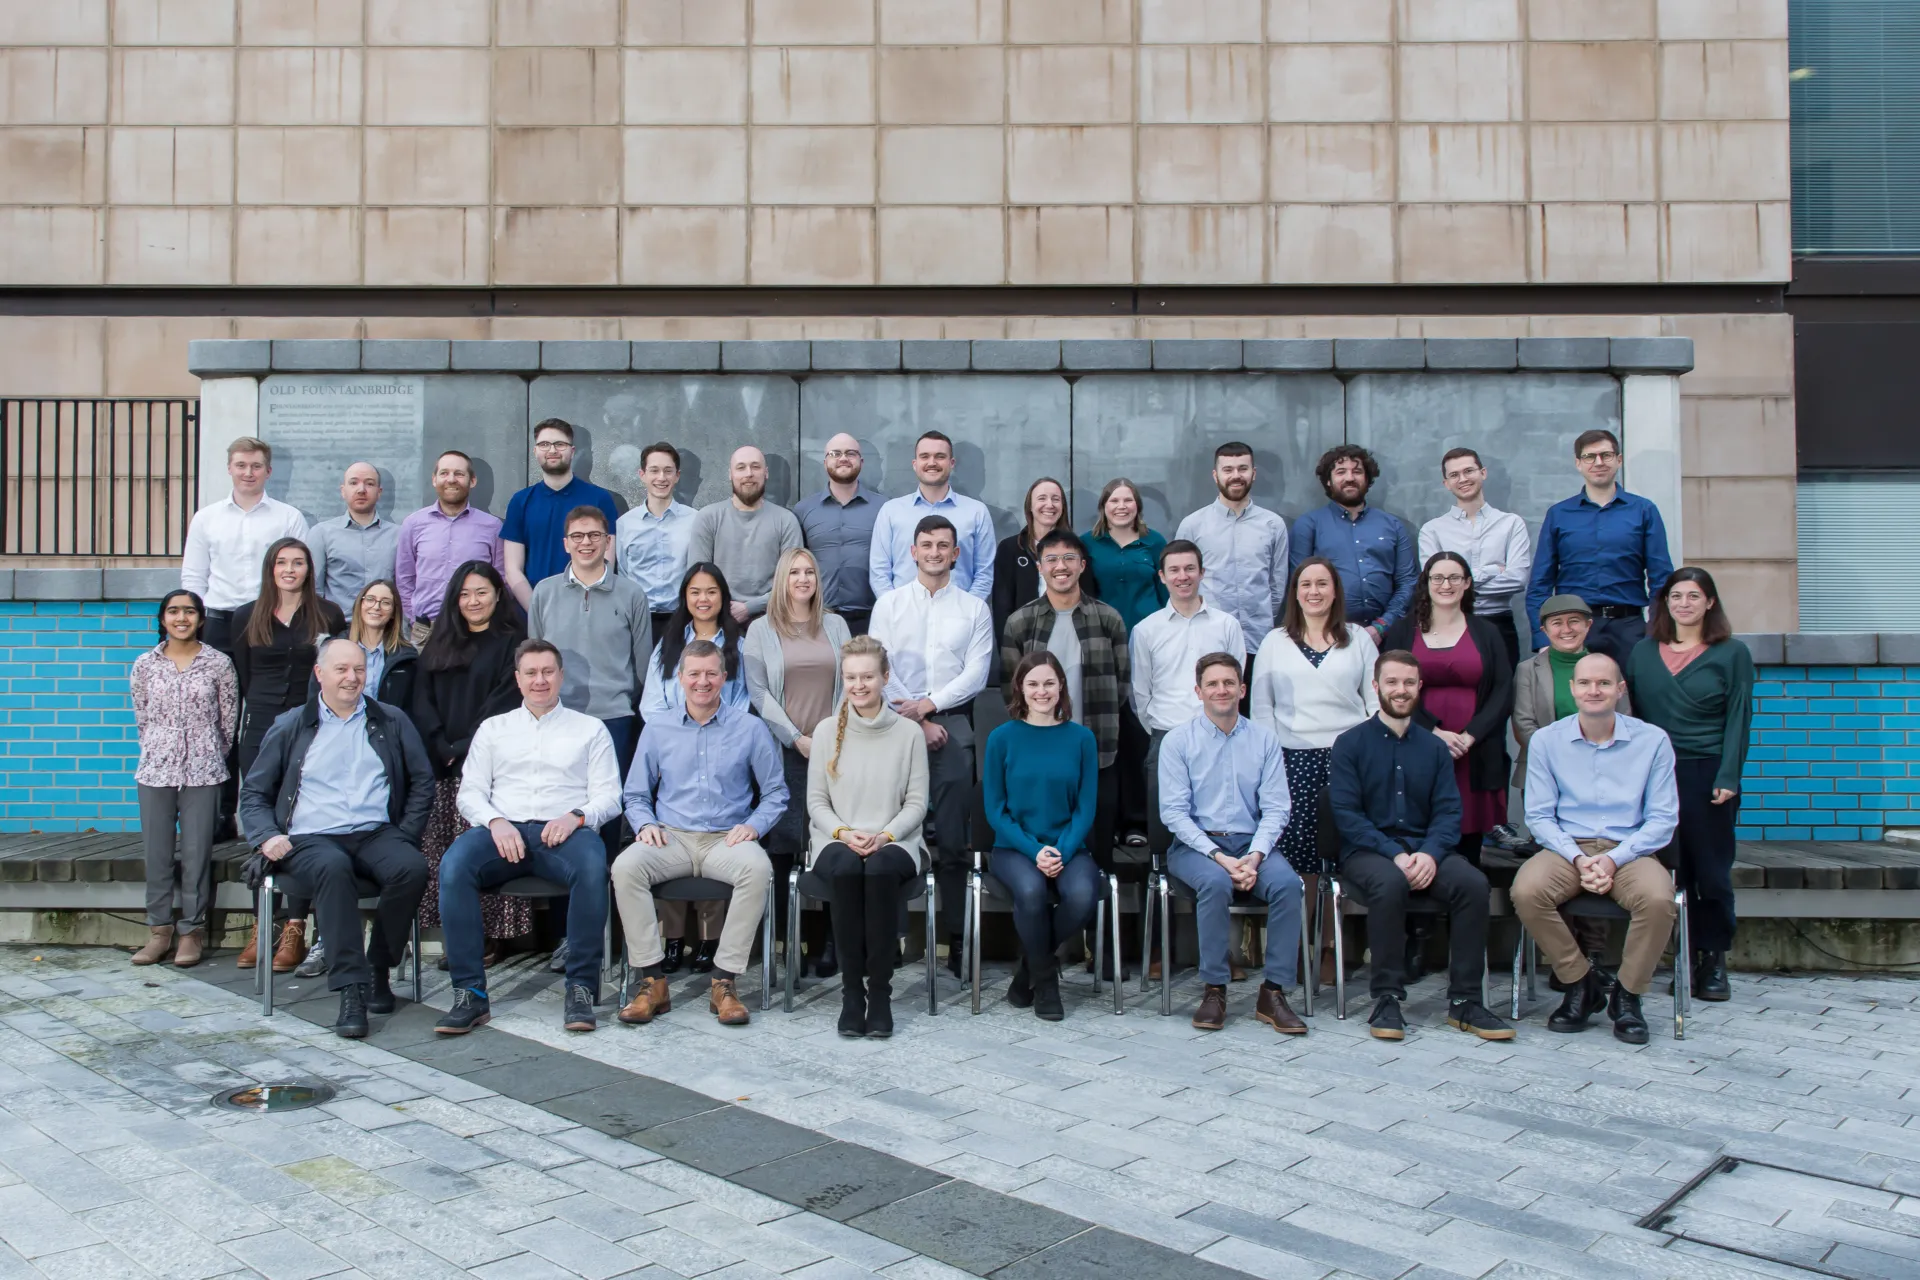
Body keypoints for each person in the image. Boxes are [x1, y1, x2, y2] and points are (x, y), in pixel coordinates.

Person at [239, 637, 433, 1039]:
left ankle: (379, 967)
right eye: (342, 669)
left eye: (359, 669)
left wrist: (406, 834)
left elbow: (422, 781)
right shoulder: (292, 724)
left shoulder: (390, 720)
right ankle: (351, 988)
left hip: (375, 832)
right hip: (311, 838)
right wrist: (266, 836)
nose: (351, 677)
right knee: (333, 867)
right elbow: (254, 792)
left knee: (411, 867)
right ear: (320, 674)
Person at [437, 640, 622, 1035]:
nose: (540, 681)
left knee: (592, 866)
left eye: (548, 672)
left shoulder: (590, 729)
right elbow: (469, 793)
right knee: (454, 865)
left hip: (565, 833)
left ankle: (581, 989)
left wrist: (577, 816)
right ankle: (469, 994)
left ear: (561, 676)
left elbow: (609, 796)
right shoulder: (493, 729)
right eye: (531, 673)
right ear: (518, 679)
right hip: (503, 832)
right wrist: (494, 821)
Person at [1328, 651, 1511, 1042]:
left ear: (1420, 688)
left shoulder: (1433, 748)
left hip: (1427, 849)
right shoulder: (1349, 744)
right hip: (1369, 853)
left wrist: (1429, 853)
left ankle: (1465, 1002)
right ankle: (1387, 997)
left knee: (1473, 884)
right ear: (1376, 687)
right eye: (1392, 682)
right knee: (1390, 883)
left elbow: (1449, 812)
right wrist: (1395, 854)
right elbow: (1346, 815)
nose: (1401, 690)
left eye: (1409, 683)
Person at [613, 640, 786, 1028]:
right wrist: (645, 824)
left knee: (758, 870)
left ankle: (724, 982)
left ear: (724, 678)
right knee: (626, 868)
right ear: (680, 678)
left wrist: (753, 826)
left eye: (711, 673)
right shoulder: (658, 729)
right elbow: (636, 793)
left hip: (727, 839)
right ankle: (652, 982)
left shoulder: (750, 728)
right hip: (671, 836)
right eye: (694, 674)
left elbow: (776, 793)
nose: (702, 682)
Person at [1515, 653, 1679, 1044]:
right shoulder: (1546, 741)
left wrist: (1611, 859)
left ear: (1620, 690)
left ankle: (1627, 996)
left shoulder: (1652, 740)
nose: (1594, 690)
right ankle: (1580, 983)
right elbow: (1538, 816)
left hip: (1630, 849)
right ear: (1572, 690)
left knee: (1658, 900)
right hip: (1567, 847)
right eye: (1585, 683)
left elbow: (1663, 819)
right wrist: (1578, 857)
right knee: (1527, 891)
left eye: (1604, 683)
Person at [869, 515, 993, 975]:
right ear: (913, 552)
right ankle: (895, 936)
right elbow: (881, 665)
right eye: (927, 545)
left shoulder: (974, 609)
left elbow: (976, 674)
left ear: (956, 553)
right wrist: (916, 716)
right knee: (892, 832)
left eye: (944, 545)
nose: (936, 552)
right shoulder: (890, 604)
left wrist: (931, 705)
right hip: (896, 723)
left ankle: (958, 940)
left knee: (956, 842)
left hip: (954, 724)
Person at [1158, 652, 1307, 1035]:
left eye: (1228, 683)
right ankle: (1214, 989)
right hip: (1197, 846)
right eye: (1212, 683)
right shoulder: (1178, 742)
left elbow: (1276, 808)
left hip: (1253, 844)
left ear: (1242, 689)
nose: (1220, 690)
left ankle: (1273, 993)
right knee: (1215, 882)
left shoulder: (1264, 740)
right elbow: (1174, 814)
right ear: (1198, 691)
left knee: (1290, 885)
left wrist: (1255, 857)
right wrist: (1222, 859)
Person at [1624, 568, 1754, 1004]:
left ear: (1709, 603)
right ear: (1664, 602)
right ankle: (1667, 957)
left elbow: (1739, 717)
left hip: (1707, 773)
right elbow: (1634, 719)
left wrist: (1729, 775)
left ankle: (1711, 960)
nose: (1684, 603)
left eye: (1693, 596)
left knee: (1710, 872)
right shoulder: (1642, 653)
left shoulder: (1731, 654)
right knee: (1660, 869)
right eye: (1675, 595)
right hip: (1655, 773)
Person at [230, 537, 346, 973]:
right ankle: (265, 925)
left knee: (301, 822)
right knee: (263, 821)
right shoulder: (246, 616)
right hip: (259, 729)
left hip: (308, 728)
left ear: (308, 570)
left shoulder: (327, 614)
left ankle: (295, 926)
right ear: (270, 568)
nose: (290, 569)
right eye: (282, 562)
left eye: (298, 562)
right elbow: (242, 675)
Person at [804, 636, 928, 1038]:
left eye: (868, 677)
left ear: (885, 678)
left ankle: (880, 995)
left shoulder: (909, 733)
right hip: (836, 838)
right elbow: (817, 802)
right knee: (844, 872)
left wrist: (885, 835)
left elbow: (916, 803)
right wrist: (844, 832)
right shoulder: (826, 731)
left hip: (895, 840)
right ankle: (851, 995)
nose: (859, 685)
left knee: (876, 873)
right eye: (852, 677)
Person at [410, 562, 531, 966]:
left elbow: (501, 705)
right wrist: (439, 744)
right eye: (465, 593)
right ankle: (456, 933)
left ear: (498, 594)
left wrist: (461, 747)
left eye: (481, 592)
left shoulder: (511, 642)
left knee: (480, 852)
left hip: (486, 767)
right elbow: (421, 699)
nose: (473, 601)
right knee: (443, 853)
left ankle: (489, 937)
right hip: (442, 768)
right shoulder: (440, 642)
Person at [1251, 558, 1379, 928]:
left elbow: (1374, 704)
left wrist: (1364, 753)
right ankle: (1299, 941)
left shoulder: (1358, 640)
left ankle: (1330, 946)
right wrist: (1273, 761)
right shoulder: (1275, 642)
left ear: (1335, 590)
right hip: (1293, 760)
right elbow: (1262, 708)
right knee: (1299, 855)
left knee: (1343, 854)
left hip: (1348, 759)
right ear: (1295, 592)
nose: (1314, 592)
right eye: (1305, 584)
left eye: (1322, 583)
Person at [1507, 593, 1634, 958]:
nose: (1566, 629)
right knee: (1557, 865)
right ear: (1544, 629)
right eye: (1557, 623)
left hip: (1601, 781)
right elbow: (1524, 724)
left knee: (1594, 856)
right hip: (1545, 780)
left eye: (1574, 621)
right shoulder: (1528, 670)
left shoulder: (1604, 667)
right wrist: (1561, 761)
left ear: (1588, 625)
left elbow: (1623, 720)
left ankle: (1593, 952)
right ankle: (1563, 956)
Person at [744, 547, 851, 978]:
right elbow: (758, 694)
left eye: (809, 572)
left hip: (834, 753)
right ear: (782, 580)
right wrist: (795, 737)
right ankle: (788, 944)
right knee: (783, 850)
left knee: (828, 845)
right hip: (781, 752)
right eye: (795, 573)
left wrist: (825, 738)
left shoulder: (837, 624)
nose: (803, 579)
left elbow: (852, 684)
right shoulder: (759, 630)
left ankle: (828, 942)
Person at [1001, 530, 1129, 876]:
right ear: (1040, 568)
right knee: (1038, 864)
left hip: (1098, 752)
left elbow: (1122, 685)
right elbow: (1011, 690)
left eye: (1069, 559)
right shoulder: (1021, 622)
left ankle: (1096, 927)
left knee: (1096, 857)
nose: (1061, 567)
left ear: (1082, 565)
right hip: (1040, 759)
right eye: (1052, 560)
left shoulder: (1108, 619)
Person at [639, 562, 747, 970]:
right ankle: (671, 938)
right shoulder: (667, 644)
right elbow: (651, 703)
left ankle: (709, 939)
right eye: (695, 592)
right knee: (671, 837)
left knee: (715, 836)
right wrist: (677, 733)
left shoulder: (739, 643)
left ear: (723, 597)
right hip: (671, 754)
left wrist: (712, 731)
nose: (703, 600)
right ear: (685, 598)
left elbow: (742, 703)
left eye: (711, 592)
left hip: (723, 751)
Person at [984, 652, 1101, 1022]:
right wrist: (1035, 851)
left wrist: (1060, 851)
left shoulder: (1081, 738)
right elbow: (995, 810)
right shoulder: (1002, 738)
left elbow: (1085, 808)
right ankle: (1047, 984)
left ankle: (1028, 971)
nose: (1041, 691)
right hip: (1015, 848)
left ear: (1061, 686)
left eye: (1049, 683)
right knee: (1032, 892)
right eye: (1033, 683)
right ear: (1020, 687)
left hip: (1068, 846)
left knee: (1084, 895)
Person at [1381, 552, 1514, 867]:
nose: (1446, 584)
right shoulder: (1403, 632)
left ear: (1467, 583)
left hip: (1472, 751)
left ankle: (1463, 902)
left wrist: (1470, 736)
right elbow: (1390, 686)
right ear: (1426, 584)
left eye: (1455, 577)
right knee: (1417, 826)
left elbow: (1502, 690)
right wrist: (1433, 732)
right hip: (1416, 742)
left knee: (1467, 839)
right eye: (1437, 577)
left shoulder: (1487, 632)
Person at [129, 590, 237, 969]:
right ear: (162, 619)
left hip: (204, 769)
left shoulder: (218, 664)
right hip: (156, 768)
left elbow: (228, 722)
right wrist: (162, 746)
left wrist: (205, 750)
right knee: (157, 853)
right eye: (173, 611)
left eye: (189, 611)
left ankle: (191, 932)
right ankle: (159, 931)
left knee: (196, 854)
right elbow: (142, 717)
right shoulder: (145, 665)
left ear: (201, 619)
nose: (181, 618)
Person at [1525, 428, 1675, 666]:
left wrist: (1655, 631)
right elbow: (1540, 584)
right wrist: (1543, 636)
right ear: (1578, 463)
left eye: (1605, 455)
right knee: (1574, 699)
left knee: (1636, 699)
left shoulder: (1643, 511)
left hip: (1629, 629)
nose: (1598, 462)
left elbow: (1661, 579)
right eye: (1589, 456)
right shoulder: (1559, 515)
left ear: (1619, 460)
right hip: (1573, 627)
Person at [1129, 539, 1245, 844]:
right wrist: (1162, 730)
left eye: (1190, 568)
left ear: (1202, 572)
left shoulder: (1227, 626)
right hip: (1167, 737)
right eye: (1175, 570)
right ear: (1162, 576)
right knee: (1165, 834)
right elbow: (1141, 693)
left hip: (1220, 738)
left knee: (1220, 829)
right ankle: (1164, 885)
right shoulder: (1146, 630)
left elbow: (1235, 686)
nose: (1183, 576)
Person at [529, 506, 654, 780]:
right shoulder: (544, 593)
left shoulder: (632, 594)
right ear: (566, 543)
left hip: (615, 718)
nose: (586, 542)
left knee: (610, 807)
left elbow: (643, 663)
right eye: (577, 536)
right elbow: (535, 660)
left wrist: (623, 700)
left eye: (594, 535)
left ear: (608, 541)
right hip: (557, 716)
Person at [1084, 477, 1166, 851]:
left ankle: (1135, 820)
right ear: (1103, 505)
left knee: (1137, 738)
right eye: (1114, 500)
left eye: (1128, 500)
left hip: (1146, 651)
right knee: (1104, 740)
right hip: (1100, 651)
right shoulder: (1087, 544)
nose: (1121, 506)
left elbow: (1167, 599)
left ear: (1137, 506)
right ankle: (1105, 820)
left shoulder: (1155, 544)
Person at [180, 436, 309, 653]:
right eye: (241, 465)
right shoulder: (205, 518)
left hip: (271, 621)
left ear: (268, 471)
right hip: (219, 623)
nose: (248, 473)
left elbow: (303, 573)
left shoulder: (289, 518)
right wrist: (197, 619)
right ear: (229, 468)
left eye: (256, 466)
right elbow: (194, 576)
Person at [1417, 447, 1531, 670]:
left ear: (1483, 473)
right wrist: (1493, 571)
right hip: (1451, 625)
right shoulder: (1432, 530)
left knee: (1502, 695)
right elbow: (1437, 586)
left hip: (1500, 623)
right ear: (1446, 483)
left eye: (1469, 471)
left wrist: (1457, 584)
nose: (1463, 479)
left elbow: (1517, 579)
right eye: (1454, 475)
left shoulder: (1511, 524)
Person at [1174, 442, 1289, 663]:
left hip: (1259, 640)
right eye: (1228, 469)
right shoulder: (1192, 526)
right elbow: (1182, 582)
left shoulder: (1273, 525)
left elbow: (1277, 585)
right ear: (1215, 475)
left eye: (1242, 468)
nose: (1236, 475)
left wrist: (1262, 616)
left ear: (1253, 474)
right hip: (1208, 641)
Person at [1291, 444, 1416, 639]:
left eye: (1357, 471)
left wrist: (1382, 627)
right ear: (1329, 481)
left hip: (1387, 635)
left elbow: (1407, 582)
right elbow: (1298, 584)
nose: (1350, 478)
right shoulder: (1309, 525)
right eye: (1341, 472)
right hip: (1327, 636)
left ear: (1367, 479)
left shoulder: (1392, 525)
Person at [503, 418, 621, 609]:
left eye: (560, 444)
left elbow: (606, 562)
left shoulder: (600, 499)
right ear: (535, 451)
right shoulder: (520, 501)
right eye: (544, 444)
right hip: (533, 614)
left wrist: (584, 608)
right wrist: (536, 611)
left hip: (587, 611)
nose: (552, 450)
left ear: (572, 451)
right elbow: (512, 569)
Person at [395, 449, 505, 647]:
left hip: (475, 633)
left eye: (459, 474)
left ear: (472, 481)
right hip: (425, 633)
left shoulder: (492, 527)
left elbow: (501, 580)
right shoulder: (413, 524)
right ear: (434, 479)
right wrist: (414, 620)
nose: (451, 479)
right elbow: (404, 579)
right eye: (444, 473)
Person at [870, 431, 995, 601]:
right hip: (904, 618)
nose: (932, 462)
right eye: (925, 456)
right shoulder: (891, 511)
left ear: (952, 463)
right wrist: (895, 609)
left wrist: (967, 612)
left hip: (959, 618)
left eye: (940, 456)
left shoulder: (976, 512)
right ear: (915, 464)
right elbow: (879, 573)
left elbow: (984, 574)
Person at [687, 445, 804, 622]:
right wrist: (724, 607)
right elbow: (697, 578)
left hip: (773, 620)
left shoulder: (785, 521)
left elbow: (793, 581)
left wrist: (749, 607)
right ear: (730, 474)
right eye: (741, 467)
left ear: (766, 473)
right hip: (718, 620)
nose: (748, 473)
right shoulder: (708, 518)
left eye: (755, 467)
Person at [794, 433, 881, 636]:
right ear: (825, 462)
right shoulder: (803, 510)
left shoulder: (884, 508)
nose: (843, 458)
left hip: (870, 617)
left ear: (861, 461)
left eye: (850, 453)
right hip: (818, 617)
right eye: (835, 453)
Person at [615, 441, 700, 642]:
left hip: (683, 620)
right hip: (637, 621)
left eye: (668, 471)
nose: (661, 478)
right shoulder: (625, 524)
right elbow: (624, 573)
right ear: (642, 475)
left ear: (677, 476)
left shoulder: (696, 520)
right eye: (654, 470)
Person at [306, 462, 400, 614]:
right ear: (343, 491)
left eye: (369, 484)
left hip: (386, 628)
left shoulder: (398, 536)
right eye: (353, 483)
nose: (361, 490)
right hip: (339, 629)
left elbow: (405, 588)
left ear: (379, 492)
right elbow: (314, 590)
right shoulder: (321, 534)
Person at [991, 476, 1067, 640]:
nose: (1050, 504)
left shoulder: (1076, 550)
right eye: (1042, 498)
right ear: (1030, 506)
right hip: (1024, 644)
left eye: (1056, 499)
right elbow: (1002, 608)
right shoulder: (1010, 549)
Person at [336, 579, 417, 711]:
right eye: (370, 599)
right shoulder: (334, 649)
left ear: (393, 612)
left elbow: (414, 707)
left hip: (388, 728)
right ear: (360, 604)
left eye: (385, 602)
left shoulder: (407, 658)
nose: (376, 607)